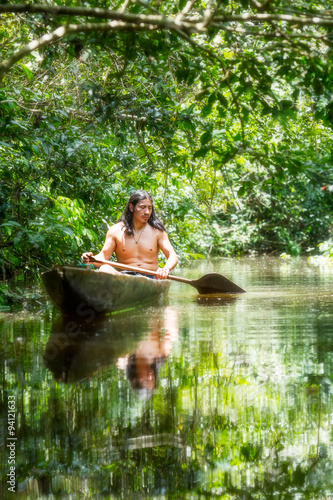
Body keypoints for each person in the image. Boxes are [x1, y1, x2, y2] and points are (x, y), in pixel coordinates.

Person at [81, 190, 178, 279]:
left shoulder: (157, 231)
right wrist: (90, 259)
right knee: (104, 268)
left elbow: (172, 256)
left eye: (149, 208)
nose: (147, 212)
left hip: (150, 277)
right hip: (125, 278)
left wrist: (166, 269)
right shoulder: (116, 230)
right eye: (142, 207)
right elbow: (103, 257)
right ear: (132, 207)